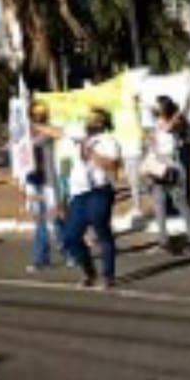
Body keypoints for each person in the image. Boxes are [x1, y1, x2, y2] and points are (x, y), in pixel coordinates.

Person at [61, 108, 123, 289]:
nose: (88, 123)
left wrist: (92, 154)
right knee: (70, 237)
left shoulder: (109, 141)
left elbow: (113, 165)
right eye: (87, 119)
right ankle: (90, 273)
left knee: (102, 233)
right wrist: (33, 124)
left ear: (102, 123)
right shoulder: (80, 137)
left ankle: (108, 275)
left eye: (93, 120)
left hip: (99, 192)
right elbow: (58, 131)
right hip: (79, 194)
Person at [146, 96, 190, 251]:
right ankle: (163, 240)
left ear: (164, 108)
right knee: (159, 204)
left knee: (180, 203)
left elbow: (170, 128)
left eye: (157, 106)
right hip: (158, 166)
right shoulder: (156, 124)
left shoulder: (176, 123)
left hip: (172, 166)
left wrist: (180, 110)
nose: (154, 108)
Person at [25, 102, 64, 272]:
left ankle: (71, 252)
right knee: (40, 220)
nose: (38, 116)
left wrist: (36, 127)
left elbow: (58, 133)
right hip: (34, 181)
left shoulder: (46, 131)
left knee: (55, 219)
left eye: (41, 114)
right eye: (35, 114)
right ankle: (41, 259)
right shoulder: (26, 134)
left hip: (48, 181)